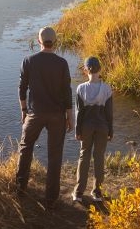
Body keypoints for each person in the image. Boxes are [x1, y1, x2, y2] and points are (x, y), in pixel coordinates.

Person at [15, 26, 74, 209]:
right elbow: (67, 92)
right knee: (55, 156)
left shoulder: (28, 61)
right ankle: (51, 199)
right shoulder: (62, 63)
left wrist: (24, 110)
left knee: (25, 149)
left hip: (35, 114)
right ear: (55, 42)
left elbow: (22, 88)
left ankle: (20, 189)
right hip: (57, 115)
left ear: (39, 41)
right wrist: (70, 116)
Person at [72, 56, 113, 203]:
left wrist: (77, 130)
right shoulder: (107, 89)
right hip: (102, 127)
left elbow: (79, 112)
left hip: (86, 127)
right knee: (99, 157)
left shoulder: (81, 88)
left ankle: (78, 193)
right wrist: (111, 131)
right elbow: (109, 113)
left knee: (84, 156)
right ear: (100, 69)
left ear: (85, 70)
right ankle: (97, 193)